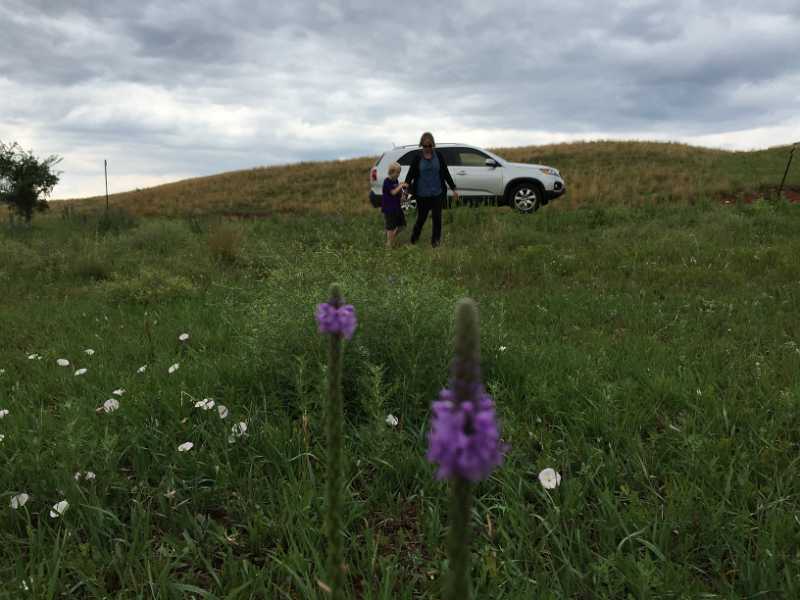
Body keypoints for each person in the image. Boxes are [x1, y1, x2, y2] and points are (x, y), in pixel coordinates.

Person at [404, 132, 459, 247]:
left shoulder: (438, 156)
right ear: (421, 145)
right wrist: (406, 187)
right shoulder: (418, 158)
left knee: (437, 218)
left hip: (437, 193)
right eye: (425, 146)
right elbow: (410, 174)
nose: (428, 148)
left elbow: (445, 172)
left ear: (433, 145)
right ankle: (413, 240)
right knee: (421, 218)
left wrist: (453, 188)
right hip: (422, 194)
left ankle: (435, 243)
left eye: (430, 146)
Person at [382, 162, 408, 248]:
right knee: (391, 227)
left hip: (397, 207)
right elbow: (393, 192)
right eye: (397, 172)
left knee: (402, 225)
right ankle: (389, 244)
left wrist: (403, 195)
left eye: (399, 172)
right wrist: (400, 186)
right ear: (391, 172)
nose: (398, 175)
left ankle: (391, 239)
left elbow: (397, 192)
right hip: (389, 208)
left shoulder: (396, 181)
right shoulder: (387, 181)